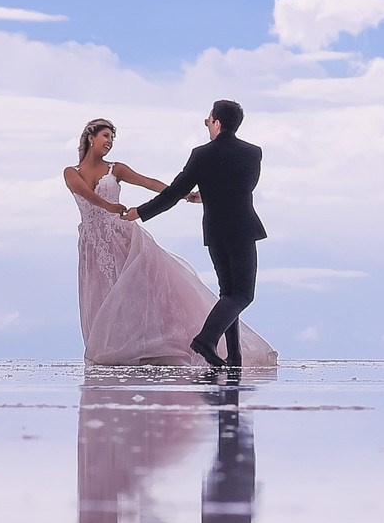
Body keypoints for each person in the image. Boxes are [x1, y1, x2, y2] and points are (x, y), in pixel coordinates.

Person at [65, 117, 276, 367]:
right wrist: (109, 205)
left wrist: (184, 194)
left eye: (112, 137)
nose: (110, 142)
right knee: (100, 292)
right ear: (91, 138)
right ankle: (111, 346)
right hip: (92, 242)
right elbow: (84, 192)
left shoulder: (116, 168)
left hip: (121, 237)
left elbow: (149, 182)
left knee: (137, 291)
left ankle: (160, 343)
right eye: (105, 136)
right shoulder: (71, 172)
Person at [124, 100, 267, 368]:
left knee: (231, 293)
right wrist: (211, 193)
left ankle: (230, 353)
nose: (205, 122)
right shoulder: (253, 153)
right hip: (242, 228)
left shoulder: (201, 154)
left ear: (217, 123)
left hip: (216, 231)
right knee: (242, 294)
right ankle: (208, 341)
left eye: (208, 118)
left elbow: (174, 192)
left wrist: (141, 212)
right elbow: (243, 187)